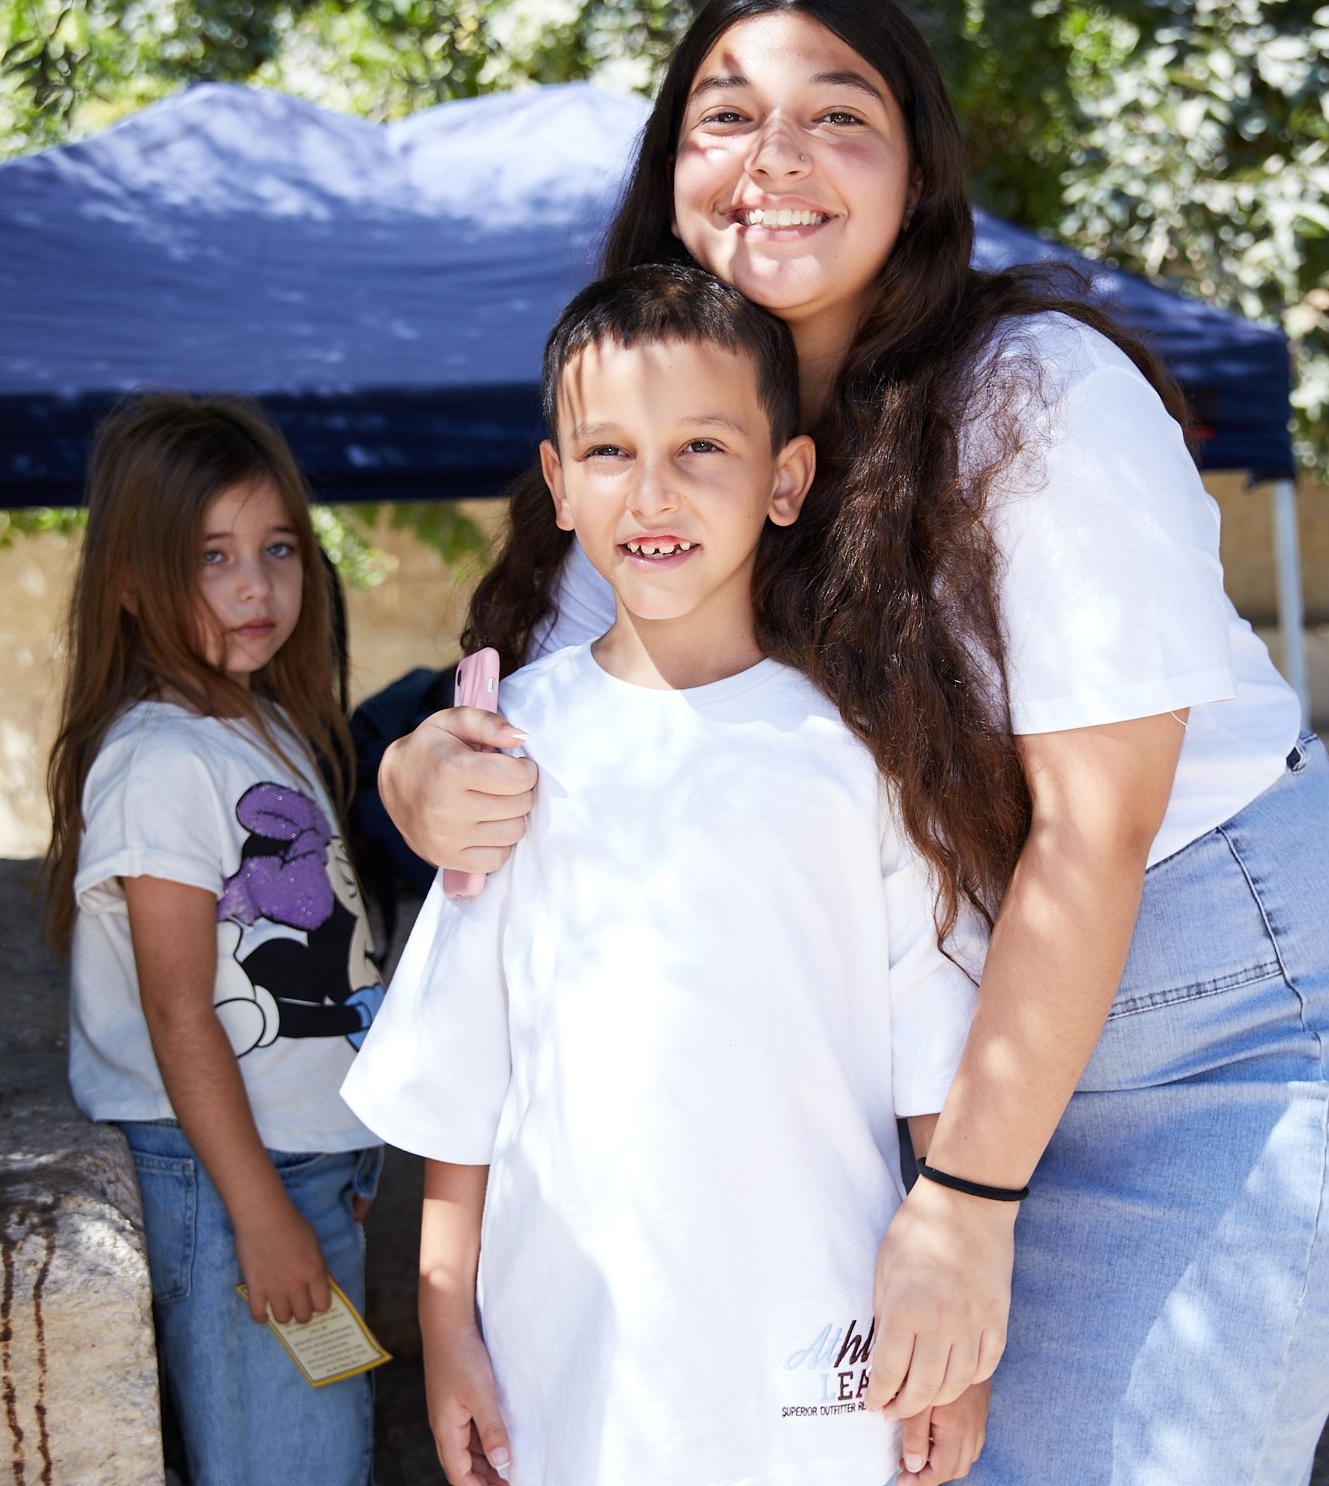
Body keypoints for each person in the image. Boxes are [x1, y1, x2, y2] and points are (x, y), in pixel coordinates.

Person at [377, 0, 1329, 1486]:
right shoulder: (681, 432)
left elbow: (1095, 827)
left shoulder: (1035, 395)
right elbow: (547, 721)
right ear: (674, 169)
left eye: (837, 115)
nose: (775, 158)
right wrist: (422, 771)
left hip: (1209, 1046)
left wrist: (963, 1204)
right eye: (726, 116)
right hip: (947, 1078)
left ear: (920, 170)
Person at [342, 263, 985, 1486]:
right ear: (556, 484)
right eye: (609, 452)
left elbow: (936, 1072)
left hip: (821, 1360)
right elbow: (457, 1086)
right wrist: (444, 1331)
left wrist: (951, 1348)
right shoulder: (506, 752)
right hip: (569, 1371)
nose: (653, 491)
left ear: (784, 477)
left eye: (701, 445)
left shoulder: (859, 753)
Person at [41, 395, 384, 1486]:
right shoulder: (163, 760)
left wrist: (349, 1144)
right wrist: (262, 1213)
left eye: (277, 548)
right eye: (213, 558)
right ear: (133, 585)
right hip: (232, 1180)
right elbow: (179, 1006)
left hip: (296, 1171)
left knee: (317, 1452)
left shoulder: (263, 720)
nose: (256, 586)